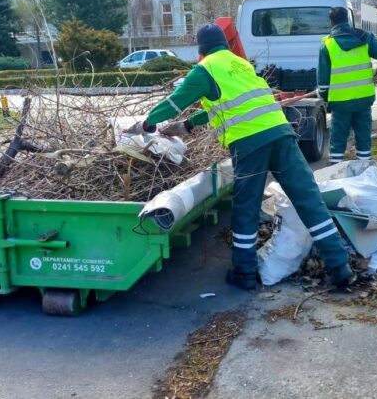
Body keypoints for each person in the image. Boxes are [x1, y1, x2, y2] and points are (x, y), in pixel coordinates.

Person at [129, 23, 353, 290]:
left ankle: (245, 273)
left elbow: (175, 102)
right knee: (308, 198)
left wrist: (147, 123)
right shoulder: (241, 65)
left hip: (249, 143)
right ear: (225, 43)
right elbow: (231, 104)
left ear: (201, 50)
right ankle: (340, 266)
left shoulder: (206, 69)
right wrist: (188, 125)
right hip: (282, 134)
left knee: (247, 207)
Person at [318, 7, 377, 165]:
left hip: (340, 103)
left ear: (331, 22)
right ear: (347, 19)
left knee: (338, 142)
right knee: (363, 139)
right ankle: (365, 172)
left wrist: (327, 99)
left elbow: (323, 85)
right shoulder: (365, 38)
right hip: (364, 99)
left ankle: (336, 174)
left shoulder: (327, 45)